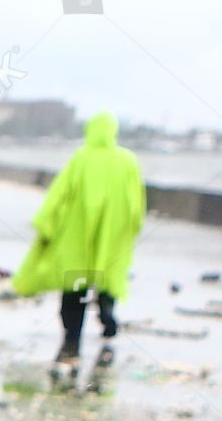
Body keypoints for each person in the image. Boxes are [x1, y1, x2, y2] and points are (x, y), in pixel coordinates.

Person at [14, 111, 146, 373]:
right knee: (108, 278)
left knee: (75, 288)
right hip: (112, 240)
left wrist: (46, 226)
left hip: (77, 242)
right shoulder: (128, 161)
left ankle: (72, 341)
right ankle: (107, 313)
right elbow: (137, 203)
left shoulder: (81, 159)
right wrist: (130, 229)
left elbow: (59, 196)